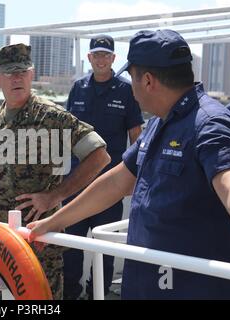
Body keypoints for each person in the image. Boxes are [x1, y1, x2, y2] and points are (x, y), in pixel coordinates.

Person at [28, 30, 230, 299]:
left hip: (192, 287)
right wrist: (53, 222)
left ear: (148, 80)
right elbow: (117, 182)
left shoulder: (210, 124)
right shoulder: (159, 123)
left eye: (133, 78)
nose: (132, 87)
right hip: (146, 282)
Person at [0, 43, 111, 300]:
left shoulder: (51, 117)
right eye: (9, 72)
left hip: (37, 241)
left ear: (31, 75)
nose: (16, 78)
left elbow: (99, 156)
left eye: (22, 71)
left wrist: (54, 196)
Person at [63, 34, 144, 299]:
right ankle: (69, 295)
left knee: (104, 248)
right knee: (70, 246)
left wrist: (135, 177)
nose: (101, 59)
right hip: (75, 182)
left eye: (105, 55)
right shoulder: (78, 88)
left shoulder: (126, 90)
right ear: (89, 58)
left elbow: (137, 137)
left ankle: (98, 294)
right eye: (96, 54)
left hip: (111, 185)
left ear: (113, 59)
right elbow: (66, 134)